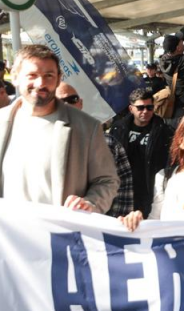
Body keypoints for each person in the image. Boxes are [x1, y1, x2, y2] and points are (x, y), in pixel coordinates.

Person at [0, 45, 119, 212]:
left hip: (59, 233)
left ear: (58, 78)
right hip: (6, 233)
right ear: (16, 77)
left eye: (49, 75)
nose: (40, 84)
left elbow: (106, 180)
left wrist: (91, 203)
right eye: (32, 75)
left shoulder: (86, 127)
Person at [55, 83, 134, 217]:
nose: (67, 105)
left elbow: (123, 188)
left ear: (80, 103)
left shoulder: (109, 143)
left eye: (72, 100)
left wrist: (116, 227)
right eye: (61, 101)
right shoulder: (37, 142)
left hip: (97, 227)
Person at [109, 88, 176, 217]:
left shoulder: (165, 131)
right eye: (140, 108)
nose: (145, 111)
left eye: (149, 107)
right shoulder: (118, 128)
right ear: (131, 109)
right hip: (123, 189)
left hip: (150, 190)